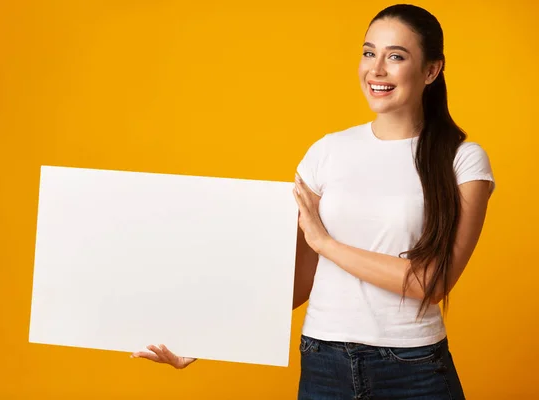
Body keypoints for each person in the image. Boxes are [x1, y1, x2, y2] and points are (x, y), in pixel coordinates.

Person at [131, 4, 495, 399]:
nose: (376, 69)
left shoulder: (462, 159)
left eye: (396, 56)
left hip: (414, 368)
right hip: (324, 363)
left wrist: (327, 244)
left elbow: (433, 281)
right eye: (369, 52)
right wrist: (209, 339)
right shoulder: (327, 152)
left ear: (431, 70)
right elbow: (302, 278)